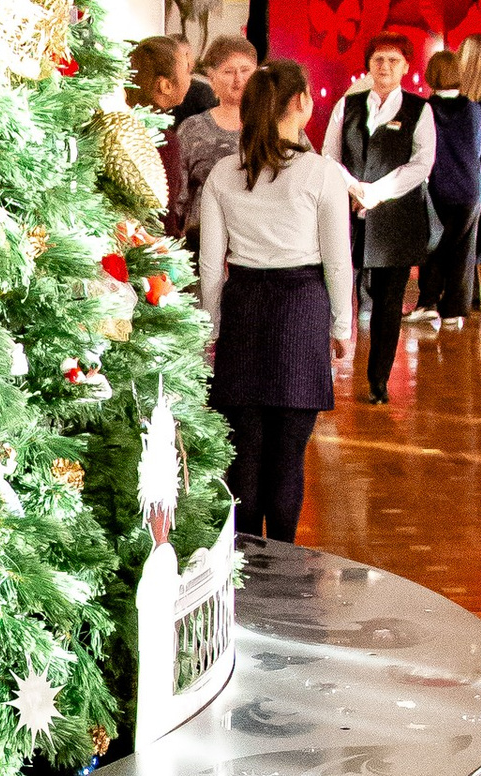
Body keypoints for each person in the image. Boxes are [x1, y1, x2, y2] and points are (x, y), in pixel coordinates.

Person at [194, 61, 355, 542]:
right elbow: (338, 261)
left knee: (244, 453)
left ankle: (244, 566)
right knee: (288, 456)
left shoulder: (225, 172)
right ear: (300, 102)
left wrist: (212, 329)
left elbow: (209, 265)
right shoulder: (322, 173)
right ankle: (283, 562)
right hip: (301, 308)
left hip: (244, 306)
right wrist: (342, 327)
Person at [322, 29, 436, 400]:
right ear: (368, 65)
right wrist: (355, 188)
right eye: (378, 60)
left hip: (397, 218)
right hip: (348, 212)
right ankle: (324, 368)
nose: (384, 66)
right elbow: (329, 155)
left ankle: (379, 380)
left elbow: (422, 164)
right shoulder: (348, 105)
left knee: (389, 301)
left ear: (405, 67)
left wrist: (377, 193)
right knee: (337, 286)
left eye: (393, 60)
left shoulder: (419, 110)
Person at [413, 44, 481, 329]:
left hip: (438, 189)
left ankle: (428, 302)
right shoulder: (474, 109)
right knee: (463, 250)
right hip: (471, 189)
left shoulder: (426, 109)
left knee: (433, 246)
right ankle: (456, 308)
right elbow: (477, 148)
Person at [172, 31, 256, 236]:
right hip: (202, 238)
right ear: (211, 79)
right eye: (228, 72)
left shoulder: (277, 125)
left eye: (245, 70)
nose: (238, 79)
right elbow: (178, 196)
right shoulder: (193, 129)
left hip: (262, 245)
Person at [127, 32, 193, 232]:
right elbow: (163, 210)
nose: (191, 77)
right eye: (187, 70)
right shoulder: (162, 140)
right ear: (165, 85)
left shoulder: (126, 123)